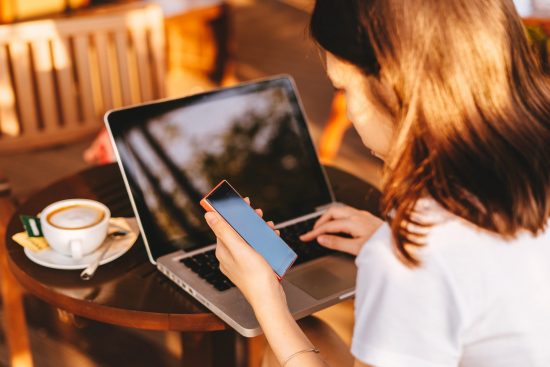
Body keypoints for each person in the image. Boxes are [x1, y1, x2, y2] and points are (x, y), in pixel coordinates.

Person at [204, 0, 550, 366]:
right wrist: (383, 235)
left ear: (392, 86)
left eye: (344, 89)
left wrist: (265, 299)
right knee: (307, 333)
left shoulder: (410, 257)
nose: (349, 114)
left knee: (285, 341)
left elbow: (436, 266)